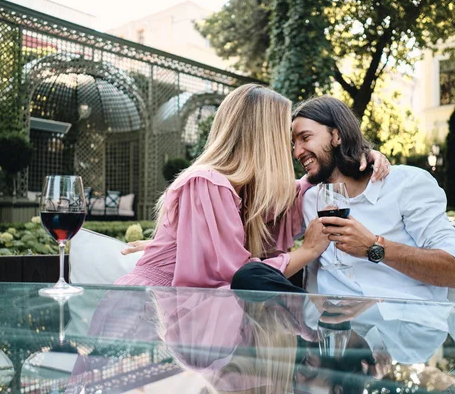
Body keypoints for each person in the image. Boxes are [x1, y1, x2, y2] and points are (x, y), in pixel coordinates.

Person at [116, 85, 389, 288]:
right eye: (286, 136)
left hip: (186, 319)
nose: (292, 149)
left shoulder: (247, 192)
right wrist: (307, 251)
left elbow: (312, 183)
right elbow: (234, 279)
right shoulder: (207, 183)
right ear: (263, 136)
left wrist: (358, 155)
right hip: (148, 312)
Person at [232, 96, 455, 302]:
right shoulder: (309, 200)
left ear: (337, 135)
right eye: (293, 144)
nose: (296, 152)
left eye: (305, 138)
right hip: (333, 338)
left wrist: (375, 248)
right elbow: (254, 239)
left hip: (404, 337)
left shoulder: (406, 184)